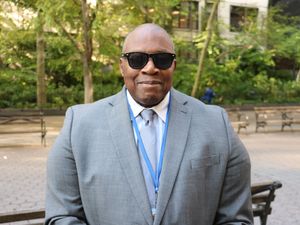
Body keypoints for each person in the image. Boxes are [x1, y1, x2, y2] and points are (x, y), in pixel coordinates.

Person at [45, 23, 253, 225]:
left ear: (173, 65)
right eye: (137, 59)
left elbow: (236, 218)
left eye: (162, 59)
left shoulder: (217, 124)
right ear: (122, 66)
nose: (150, 68)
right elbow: (62, 215)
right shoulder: (78, 125)